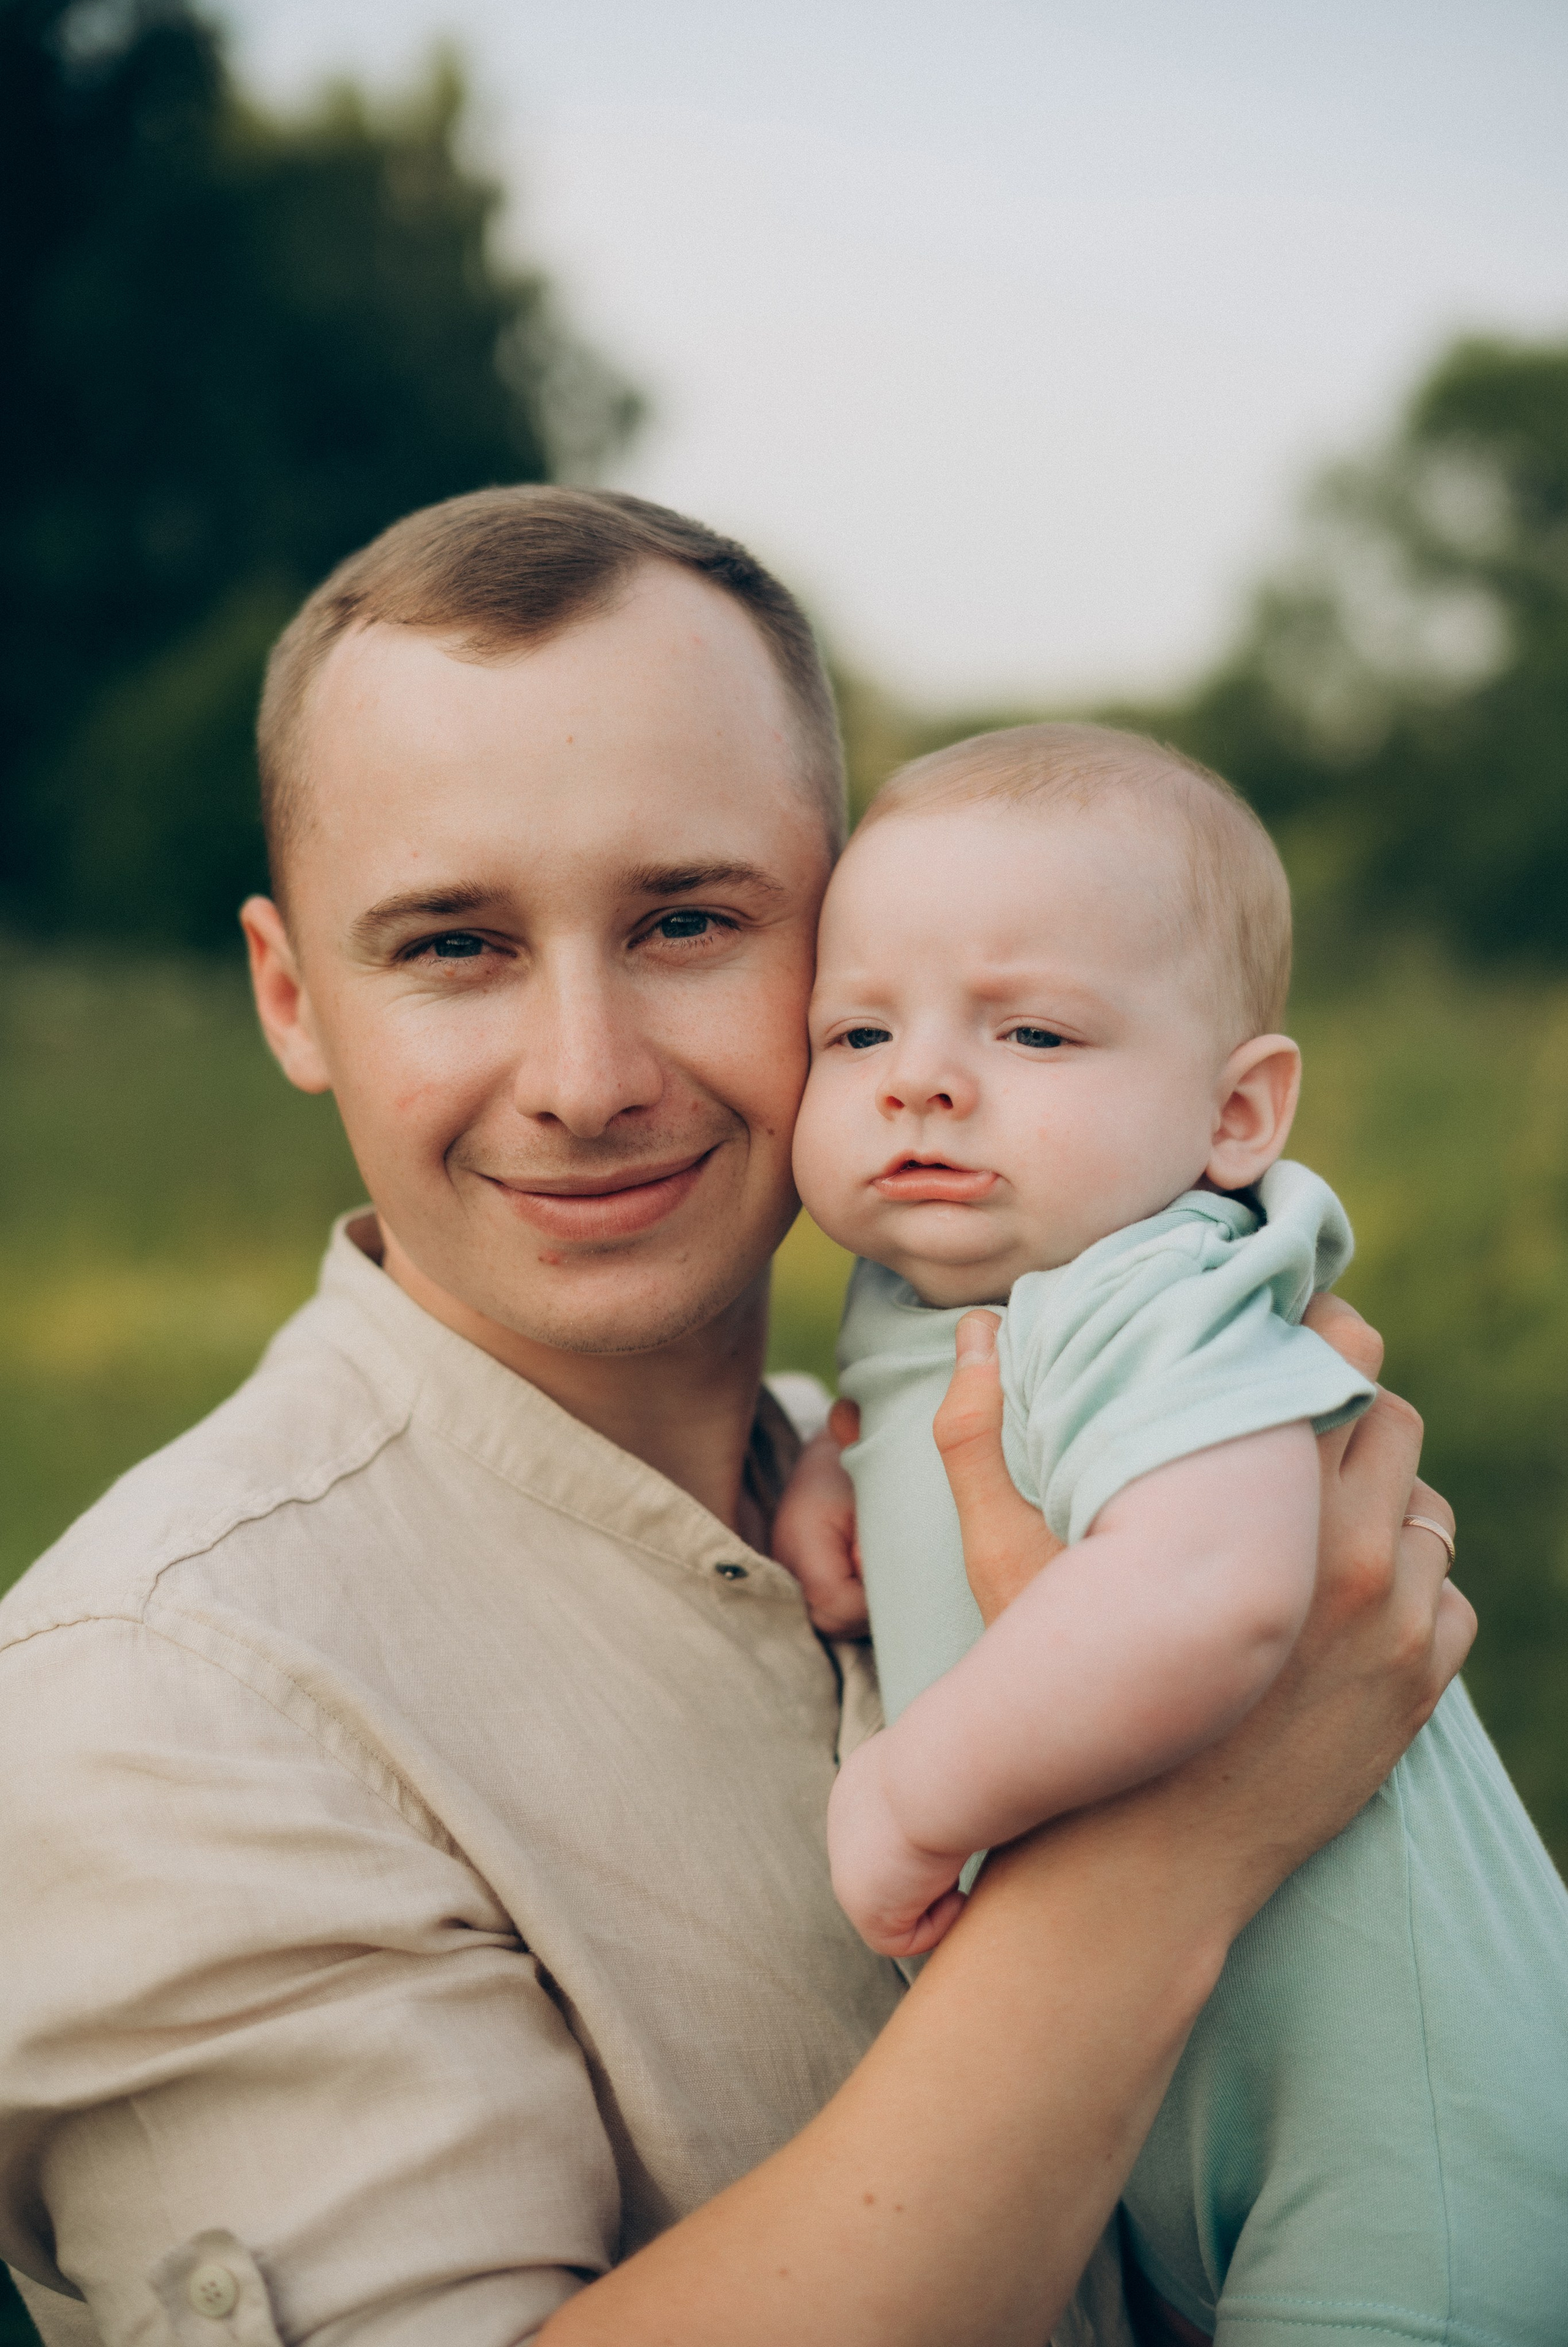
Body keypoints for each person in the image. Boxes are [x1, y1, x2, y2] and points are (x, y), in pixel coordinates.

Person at [0, 489, 1469, 2347]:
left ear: (848, 936)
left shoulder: (955, 1456)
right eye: (452, 945)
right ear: (295, 997)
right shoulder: (154, 1697)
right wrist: (1178, 1843)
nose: (588, 1079)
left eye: (689, 918)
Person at [779, 721, 1568, 2343]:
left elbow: (1213, 1592)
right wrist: (841, 1471)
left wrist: (915, 1797)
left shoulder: (1151, 1285)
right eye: (858, 1030)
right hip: (1205, 2107)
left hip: (1404, 2132)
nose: (919, 1076)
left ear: (1234, 1116)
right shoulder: (937, 1284)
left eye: (1038, 1031)